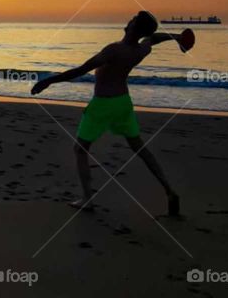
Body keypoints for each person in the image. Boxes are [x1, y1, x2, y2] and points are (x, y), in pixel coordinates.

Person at [31, 11, 181, 215]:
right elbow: (154, 38)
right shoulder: (141, 50)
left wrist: (47, 81)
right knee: (140, 148)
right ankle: (169, 190)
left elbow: (81, 70)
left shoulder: (114, 50)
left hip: (102, 104)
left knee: (80, 149)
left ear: (134, 27)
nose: (128, 21)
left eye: (132, 20)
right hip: (123, 104)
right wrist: (177, 37)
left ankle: (87, 199)